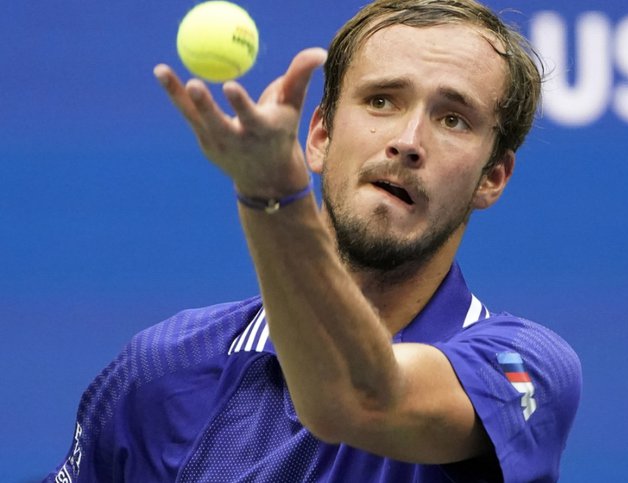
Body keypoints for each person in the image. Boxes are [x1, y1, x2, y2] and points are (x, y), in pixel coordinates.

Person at [47, 0, 581, 481]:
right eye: (381, 101)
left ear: (492, 177)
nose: (408, 142)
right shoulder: (163, 369)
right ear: (321, 136)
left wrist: (273, 193)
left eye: (453, 119)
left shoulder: (523, 368)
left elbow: (357, 399)